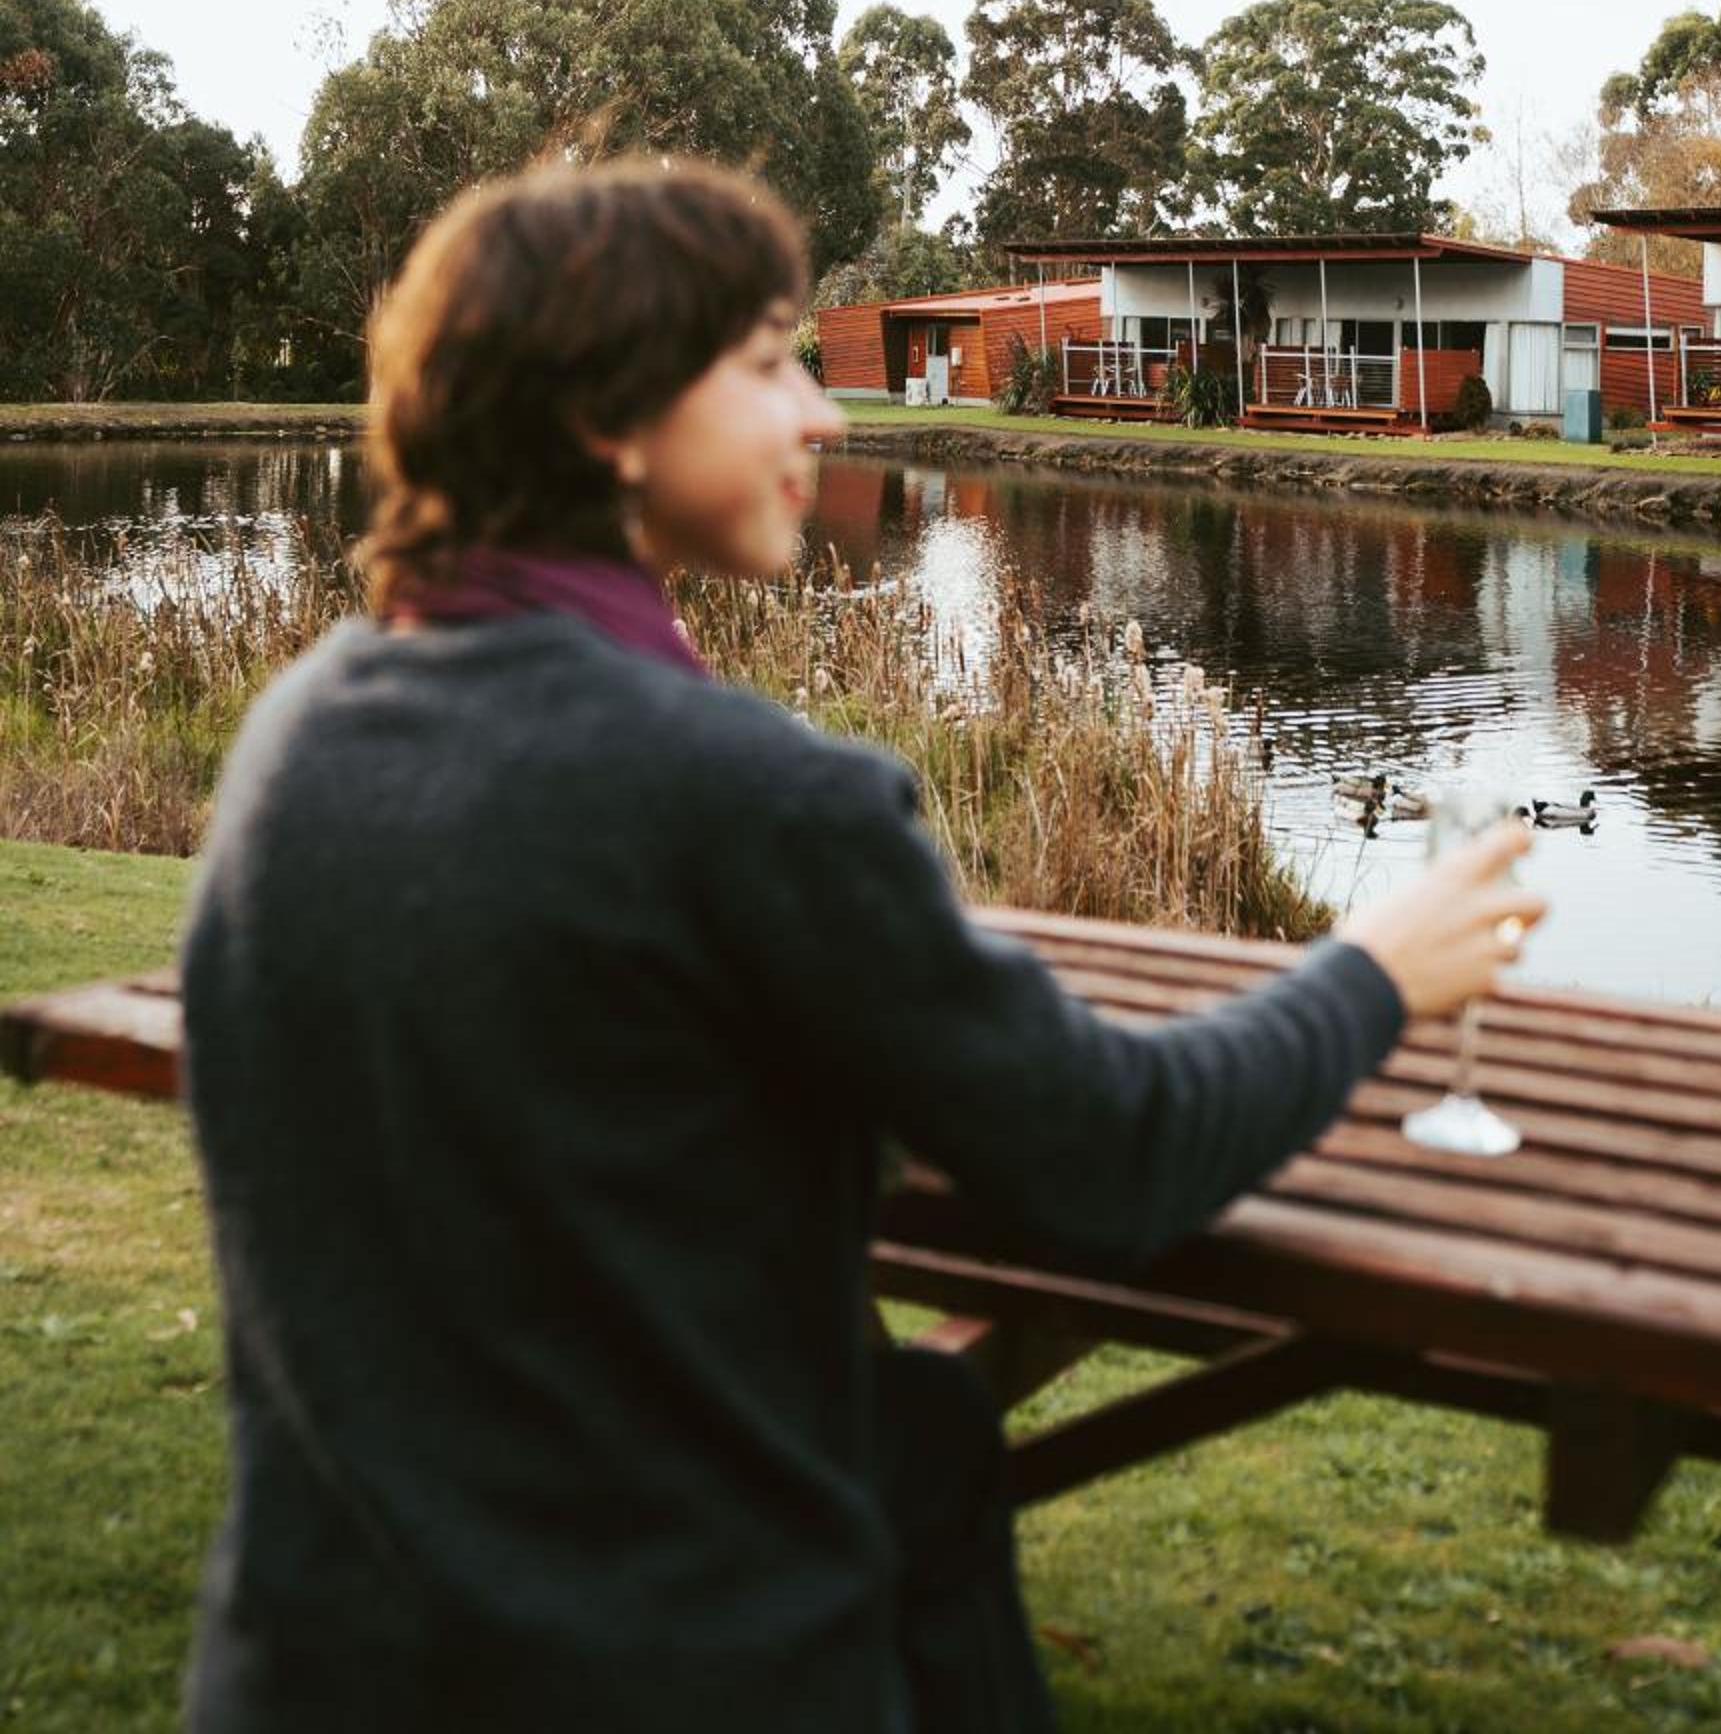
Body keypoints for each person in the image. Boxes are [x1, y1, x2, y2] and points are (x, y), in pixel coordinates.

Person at [180, 157, 1544, 1733]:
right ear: (605, 418)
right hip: (667, 1673)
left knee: (923, 1436)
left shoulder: (300, 733)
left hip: (310, 1668)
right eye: (770, 364)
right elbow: (1110, 1158)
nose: (824, 415)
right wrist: (1377, 971)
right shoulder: (752, 795)